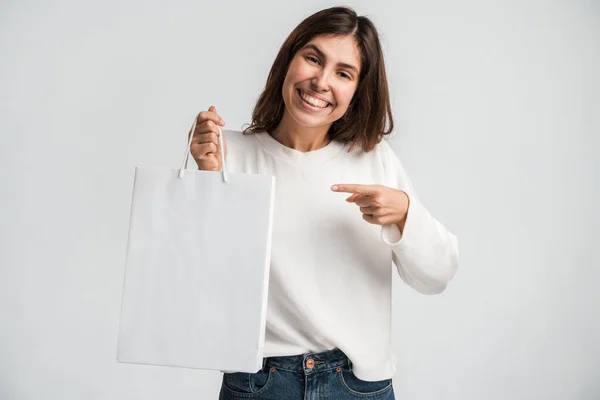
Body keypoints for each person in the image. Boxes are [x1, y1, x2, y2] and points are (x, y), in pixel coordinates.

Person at [190, 6, 459, 400]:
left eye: (343, 73)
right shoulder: (227, 154)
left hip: (356, 386)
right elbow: (200, 280)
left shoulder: (374, 159)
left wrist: (405, 214)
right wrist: (209, 180)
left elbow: (435, 276)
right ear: (289, 60)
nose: (321, 81)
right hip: (260, 384)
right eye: (313, 58)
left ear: (358, 90)